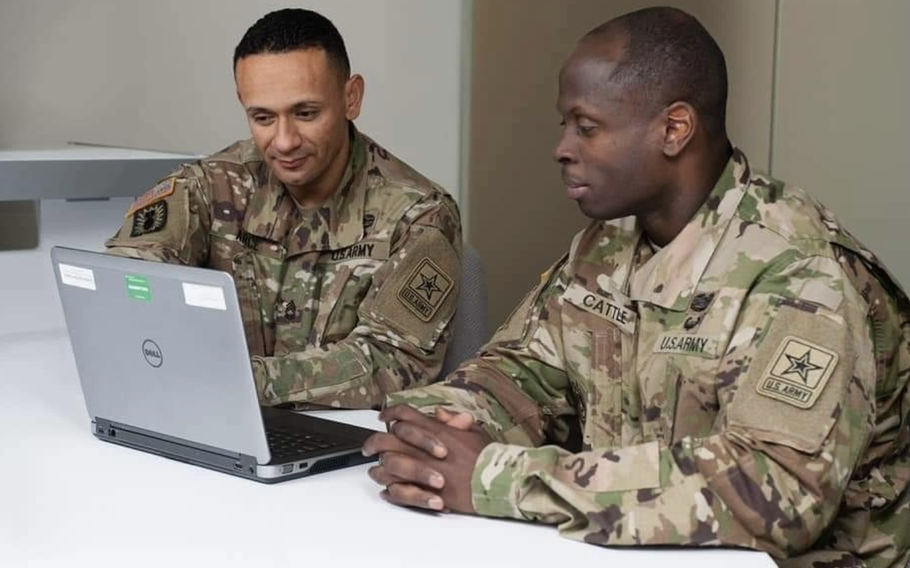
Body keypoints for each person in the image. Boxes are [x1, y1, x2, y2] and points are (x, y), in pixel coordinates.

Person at [362, 7, 909, 568]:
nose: (562, 147)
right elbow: (520, 372)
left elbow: (775, 494)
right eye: (564, 125)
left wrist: (499, 478)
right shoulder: (608, 243)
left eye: (587, 126)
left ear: (674, 129)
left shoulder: (804, 272)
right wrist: (441, 428)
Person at [105, 9, 462, 409]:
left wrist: (239, 379)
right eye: (262, 117)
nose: (285, 141)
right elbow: (125, 283)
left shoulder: (419, 215)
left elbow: (392, 363)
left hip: (343, 444)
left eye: (305, 113)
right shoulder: (209, 186)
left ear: (351, 98)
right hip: (215, 421)